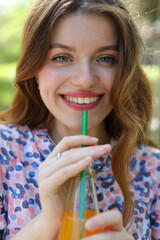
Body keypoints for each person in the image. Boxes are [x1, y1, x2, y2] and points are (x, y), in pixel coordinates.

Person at [0, 0, 160, 239]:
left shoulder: (152, 169)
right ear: (34, 70)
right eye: (62, 57)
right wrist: (47, 223)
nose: (85, 80)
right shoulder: (4, 152)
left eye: (106, 58)